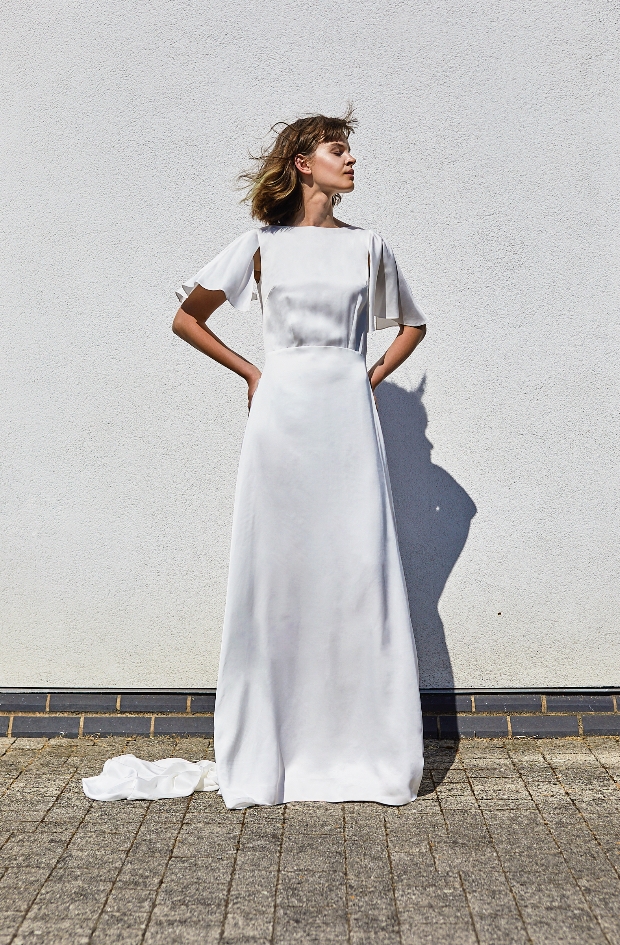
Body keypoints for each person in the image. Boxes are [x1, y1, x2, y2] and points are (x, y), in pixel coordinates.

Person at [83, 110, 427, 809]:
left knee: (358, 568)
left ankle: (364, 747)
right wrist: (251, 372)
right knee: (277, 572)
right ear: (303, 162)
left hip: (347, 421)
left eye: (349, 150)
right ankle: (272, 750)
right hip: (283, 420)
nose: (351, 160)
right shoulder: (262, 245)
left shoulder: (370, 245)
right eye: (338, 150)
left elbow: (412, 323)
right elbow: (188, 316)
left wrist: (366, 377)